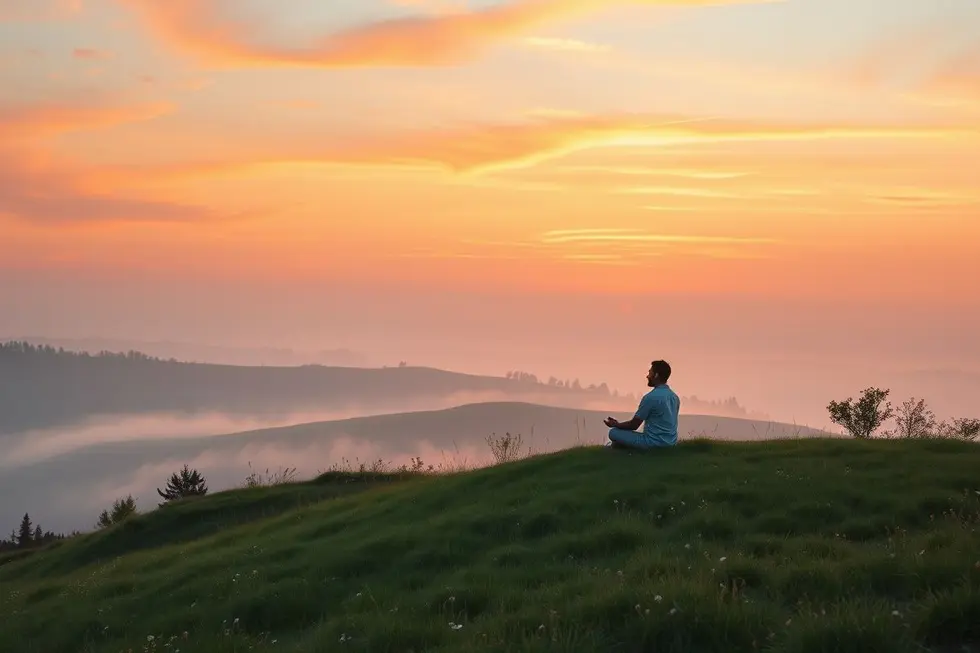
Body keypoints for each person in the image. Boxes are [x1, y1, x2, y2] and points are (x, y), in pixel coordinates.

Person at [603, 360, 680, 450]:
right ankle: (620, 448)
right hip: (671, 443)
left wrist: (616, 424)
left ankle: (619, 449)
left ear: (656, 375)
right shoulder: (675, 397)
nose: (647, 376)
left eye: (650, 373)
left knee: (613, 432)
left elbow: (634, 425)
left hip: (652, 443)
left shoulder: (650, 397)